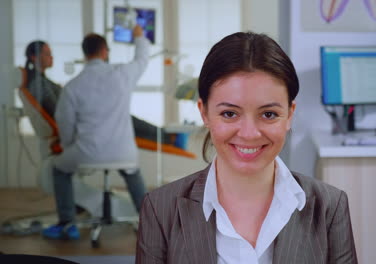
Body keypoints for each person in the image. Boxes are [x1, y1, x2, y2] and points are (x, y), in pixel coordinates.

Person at [136, 32, 357, 263]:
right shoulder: (160, 209)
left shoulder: (330, 207)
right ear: (204, 113)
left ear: (290, 114)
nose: (249, 134)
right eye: (229, 114)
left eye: (269, 114)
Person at [41, 25, 149, 240]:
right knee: (132, 172)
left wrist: (70, 146)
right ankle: (151, 224)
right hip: (123, 153)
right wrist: (139, 36)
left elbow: (65, 123)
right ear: (104, 51)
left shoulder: (72, 87)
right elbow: (142, 58)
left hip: (86, 153)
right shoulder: (122, 74)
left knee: (59, 169)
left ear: (85, 53)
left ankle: (67, 223)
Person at [23, 41, 175, 148]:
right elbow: (59, 112)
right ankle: (168, 137)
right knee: (126, 122)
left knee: (128, 122)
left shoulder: (41, 81)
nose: (52, 57)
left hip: (82, 121)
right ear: (34, 57)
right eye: (48, 54)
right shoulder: (38, 83)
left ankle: (167, 137)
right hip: (82, 126)